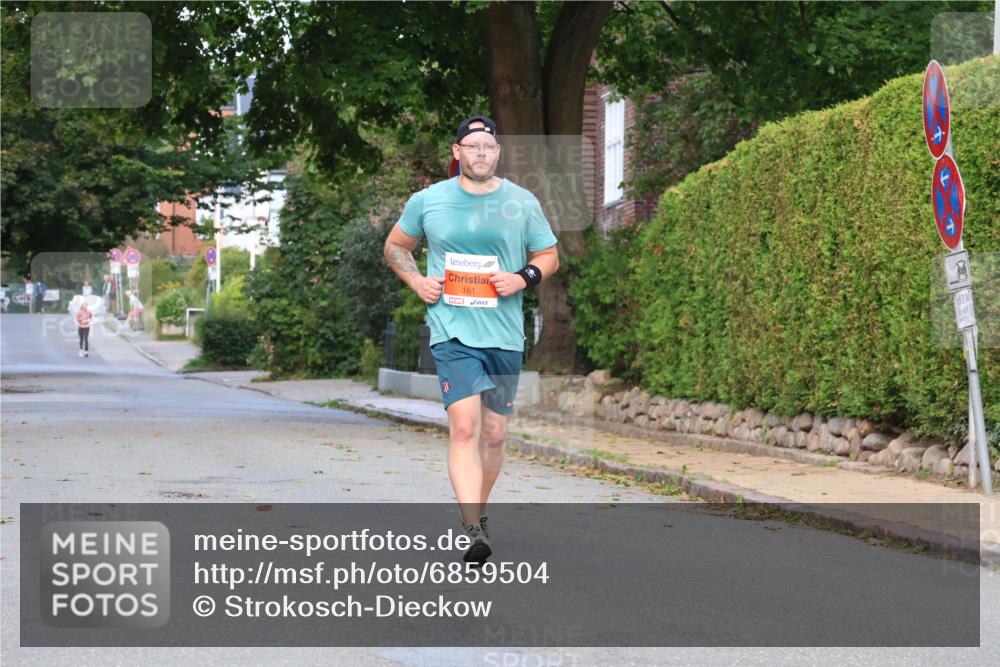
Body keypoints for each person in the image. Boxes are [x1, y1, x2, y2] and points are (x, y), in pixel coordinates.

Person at [383, 115, 559, 564]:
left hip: (502, 334)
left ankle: (478, 511)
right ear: (457, 152)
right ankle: (472, 528)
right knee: (465, 426)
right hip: (451, 330)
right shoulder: (429, 200)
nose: (481, 154)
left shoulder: (521, 202)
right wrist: (417, 282)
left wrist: (523, 278)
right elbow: (396, 246)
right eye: (473, 146)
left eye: (489, 147)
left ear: (498, 153)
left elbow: (548, 255)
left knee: (495, 435)